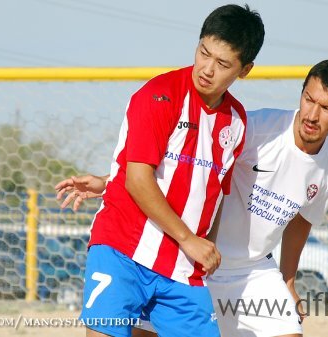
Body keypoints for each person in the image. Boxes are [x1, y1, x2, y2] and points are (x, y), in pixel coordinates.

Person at [57, 59, 328, 337]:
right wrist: (108, 182)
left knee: (290, 331)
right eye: (308, 99)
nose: (311, 114)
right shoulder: (255, 128)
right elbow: (184, 167)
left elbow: (301, 221)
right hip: (194, 258)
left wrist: (288, 282)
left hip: (253, 270)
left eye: (327, 108)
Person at [55, 4, 265, 337]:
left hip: (182, 267)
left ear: (245, 69)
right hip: (122, 249)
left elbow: (209, 191)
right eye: (203, 53)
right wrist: (189, 239)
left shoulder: (237, 121)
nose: (207, 69)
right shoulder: (159, 96)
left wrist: (205, 247)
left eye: (222, 63)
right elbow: (139, 179)